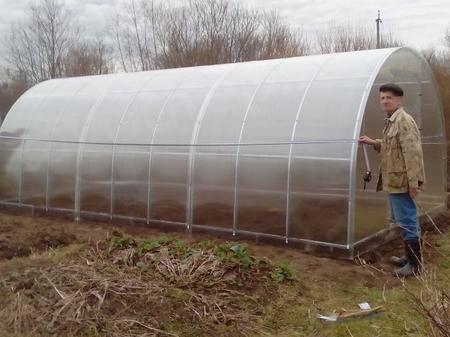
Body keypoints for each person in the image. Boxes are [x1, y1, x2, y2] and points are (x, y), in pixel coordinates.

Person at [359, 83, 425, 277]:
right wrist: (373, 142)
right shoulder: (391, 121)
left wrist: (414, 184)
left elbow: (413, 154)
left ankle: (414, 265)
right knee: (403, 219)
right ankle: (409, 257)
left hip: (403, 181)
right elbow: (391, 146)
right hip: (394, 180)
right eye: (382, 98)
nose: (385, 101)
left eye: (389, 97)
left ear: (399, 100)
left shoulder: (404, 121)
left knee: (407, 219)